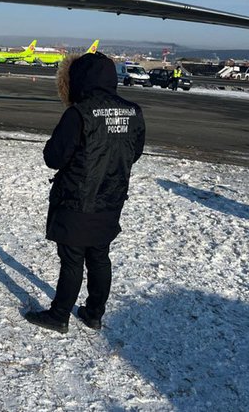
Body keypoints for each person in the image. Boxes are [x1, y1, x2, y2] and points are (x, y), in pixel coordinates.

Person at [25, 52, 145, 334]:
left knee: (72, 259)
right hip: (111, 198)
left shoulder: (79, 113)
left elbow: (53, 157)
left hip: (78, 198)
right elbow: (134, 152)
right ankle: (94, 313)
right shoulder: (133, 111)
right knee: (100, 256)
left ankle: (59, 315)